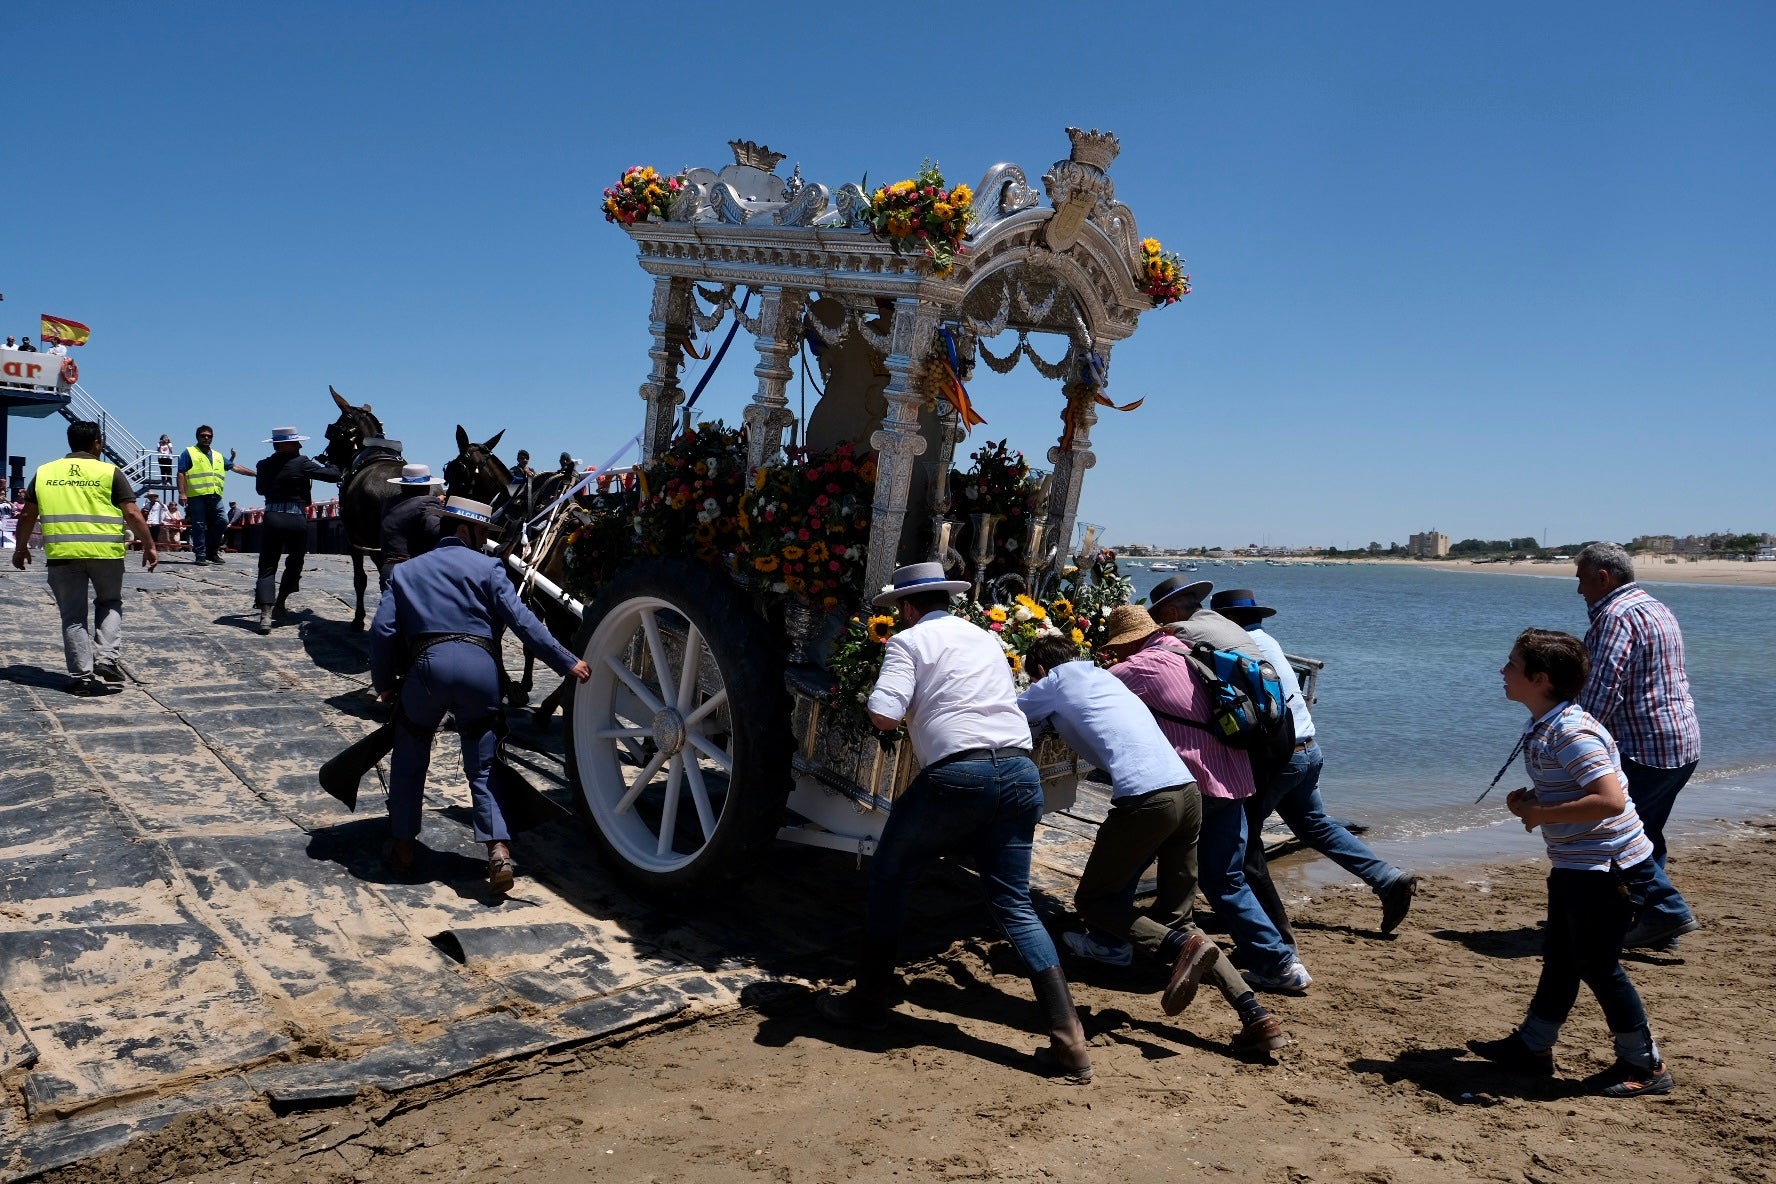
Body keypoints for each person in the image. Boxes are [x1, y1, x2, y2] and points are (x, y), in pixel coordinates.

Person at [818, 563, 1094, 1084]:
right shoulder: (986, 640)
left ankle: (870, 1003)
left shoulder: (907, 642)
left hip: (958, 775)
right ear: (947, 598)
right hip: (1018, 772)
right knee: (1013, 902)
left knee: (891, 876)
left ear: (907, 606)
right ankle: (1070, 1042)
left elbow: (883, 713)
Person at [1018, 634, 1290, 1055]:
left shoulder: (1051, 681)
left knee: (1095, 903)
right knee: (1182, 919)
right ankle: (1255, 1014)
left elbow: (1007, 718)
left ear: (1039, 669)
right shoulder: (1106, 678)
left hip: (1147, 799)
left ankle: (1183, 947)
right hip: (1188, 792)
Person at [1467, 628, 1674, 1097]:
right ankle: (1533, 1046)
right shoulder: (1549, 725)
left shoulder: (1571, 732)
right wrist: (1537, 797)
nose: (1503, 672)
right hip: (1578, 864)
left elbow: (1610, 800)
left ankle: (1646, 1066)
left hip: (1609, 868)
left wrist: (1540, 813)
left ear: (1540, 679)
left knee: (1599, 965)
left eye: (1512, 666)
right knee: (1561, 956)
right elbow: (1578, 790)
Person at [369, 496, 591, 890]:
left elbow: (383, 631)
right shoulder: (489, 568)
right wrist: (566, 662)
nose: (486, 540)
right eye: (485, 532)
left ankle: (403, 847)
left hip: (426, 671)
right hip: (480, 671)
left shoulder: (406, 573)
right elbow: (523, 622)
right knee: (485, 762)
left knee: (410, 749)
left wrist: (385, 683)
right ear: (466, 530)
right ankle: (499, 852)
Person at [1100, 604, 1312, 993]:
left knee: (1127, 862)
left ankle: (1110, 941)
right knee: (1227, 879)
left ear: (1128, 643)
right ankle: (1281, 964)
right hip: (1234, 776)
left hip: (1194, 783)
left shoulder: (1140, 667)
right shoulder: (1191, 653)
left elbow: (1093, 690)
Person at [1210, 589, 1421, 935]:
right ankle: (1387, 878)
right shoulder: (1269, 642)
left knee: (1240, 837)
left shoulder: (1236, 648)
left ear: (1225, 621)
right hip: (1307, 749)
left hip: (1280, 759)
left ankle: (1255, 914)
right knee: (1315, 825)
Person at [1573, 543, 1702, 952]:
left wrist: (1572, 737)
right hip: (1680, 741)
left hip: (1643, 747)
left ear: (1603, 577)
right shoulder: (1656, 607)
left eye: (1581, 579)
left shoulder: (1615, 617)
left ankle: (1664, 911)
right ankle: (1653, 922)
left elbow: (1601, 689)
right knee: (1645, 832)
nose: (1579, 590)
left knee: (1617, 835)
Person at [10, 420, 159, 694]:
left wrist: (21, 549)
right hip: (106, 555)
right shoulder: (110, 472)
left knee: (73, 617)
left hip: (63, 556)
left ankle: (81, 677)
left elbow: (28, 515)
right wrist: (149, 545)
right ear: (97, 443)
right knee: (110, 603)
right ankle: (106, 658)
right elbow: (133, 513)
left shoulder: (45, 473)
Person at [252, 426, 341, 634]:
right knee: (294, 562)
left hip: (272, 516)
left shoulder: (263, 465)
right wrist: (328, 462)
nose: (300, 445)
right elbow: (334, 475)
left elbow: (260, 490)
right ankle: (281, 604)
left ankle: (265, 614)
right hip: (296, 518)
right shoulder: (302, 463)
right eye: (296, 442)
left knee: (267, 566)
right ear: (285, 444)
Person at [176, 425, 253, 566]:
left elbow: (235, 467)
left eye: (209, 436)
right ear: (197, 437)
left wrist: (256, 474)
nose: (206, 438)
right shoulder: (189, 452)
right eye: (203, 435)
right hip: (197, 495)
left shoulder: (218, 456)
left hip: (215, 496)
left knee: (222, 521)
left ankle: (212, 552)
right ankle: (200, 554)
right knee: (199, 525)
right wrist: (182, 493)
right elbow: (181, 472)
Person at [1149, 576, 1262, 660]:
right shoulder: (1225, 622)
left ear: (1171, 613)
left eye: (1162, 619)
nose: (1162, 623)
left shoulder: (1183, 630)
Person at [379, 464, 447, 587]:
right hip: (412, 572)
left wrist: (434, 502)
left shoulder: (389, 503)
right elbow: (436, 532)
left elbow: (411, 507)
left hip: (388, 571)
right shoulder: (428, 504)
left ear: (402, 485)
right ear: (427, 488)